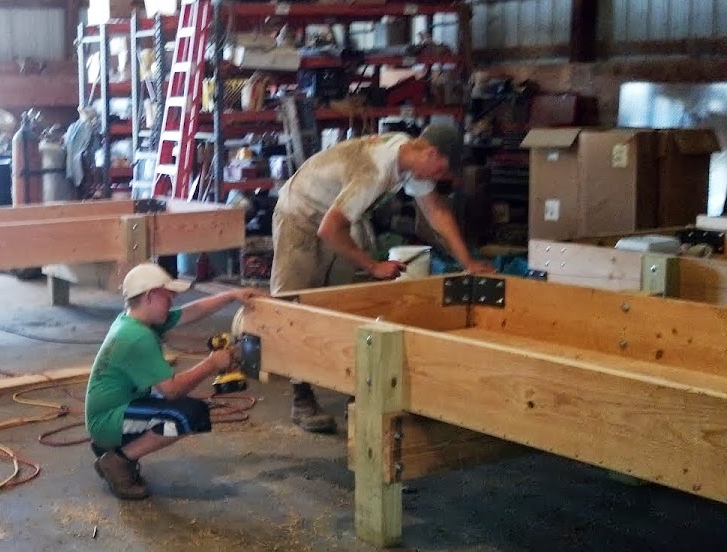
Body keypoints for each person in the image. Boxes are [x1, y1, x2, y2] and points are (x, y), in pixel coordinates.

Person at [270, 123, 494, 433]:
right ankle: (301, 397)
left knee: (342, 305)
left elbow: (437, 212)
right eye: (442, 169)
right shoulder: (377, 169)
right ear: (430, 152)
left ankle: (353, 390)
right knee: (294, 305)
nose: (441, 178)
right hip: (301, 215)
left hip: (337, 220)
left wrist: (468, 262)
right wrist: (374, 266)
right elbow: (328, 229)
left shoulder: (409, 157)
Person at [84, 262, 265, 500]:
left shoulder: (134, 320)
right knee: (186, 415)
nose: (172, 301)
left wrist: (231, 295)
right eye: (168, 296)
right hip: (106, 421)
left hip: (115, 409)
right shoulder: (137, 337)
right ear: (149, 296)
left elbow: (192, 311)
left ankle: (115, 448)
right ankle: (117, 461)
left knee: (185, 410)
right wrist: (211, 364)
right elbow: (171, 391)